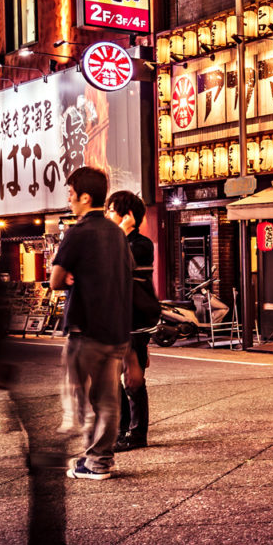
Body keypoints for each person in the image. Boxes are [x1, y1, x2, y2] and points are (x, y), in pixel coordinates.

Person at [50, 167, 134, 480]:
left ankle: (86, 447)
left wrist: (69, 275)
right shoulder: (117, 233)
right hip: (115, 330)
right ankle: (100, 461)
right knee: (108, 399)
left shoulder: (77, 232)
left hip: (85, 330)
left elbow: (56, 280)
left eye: (71, 194)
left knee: (79, 395)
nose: (69, 200)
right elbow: (126, 273)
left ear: (85, 197)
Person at [106, 190, 160, 451]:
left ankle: (137, 434)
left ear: (128, 216)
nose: (108, 215)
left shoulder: (141, 244)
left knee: (133, 379)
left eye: (112, 210)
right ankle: (120, 430)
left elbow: (119, 265)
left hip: (135, 320)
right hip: (114, 319)